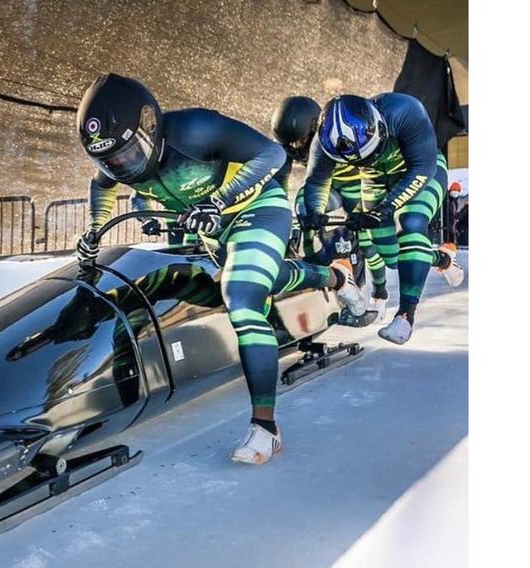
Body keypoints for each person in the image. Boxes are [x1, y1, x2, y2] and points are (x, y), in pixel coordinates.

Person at [73, 74, 366, 465]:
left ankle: (266, 428)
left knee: (243, 300)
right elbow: (102, 186)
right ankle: (336, 277)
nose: (122, 166)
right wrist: (95, 228)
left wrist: (219, 200)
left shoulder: (196, 128)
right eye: (110, 160)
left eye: (128, 154)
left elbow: (271, 156)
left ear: (149, 126)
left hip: (257, 209)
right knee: (267, 279)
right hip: (211, 228)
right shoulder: (115, 160)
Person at [300, 93, 465, 345]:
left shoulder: (405, 110)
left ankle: (405, 316)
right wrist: (314, 212)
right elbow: (316, 182)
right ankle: (443, 259)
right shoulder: (323, 144)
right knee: (393, 259)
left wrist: (386, 208)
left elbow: (422, 168)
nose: (369, 159)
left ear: (378, 127)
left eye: (371, 153)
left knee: (411, 223)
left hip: (420, 169)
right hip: (374, 180)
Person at [272, 96, 390, 319]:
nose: (295, 149)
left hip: (356, 193)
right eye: (289, 145)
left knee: (367, 242)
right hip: (329, 191)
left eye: (300, 142)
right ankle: (317, 274)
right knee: (304, 205)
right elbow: (280, 186)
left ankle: (380, 292)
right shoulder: (289, 148)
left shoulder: (337, 136)